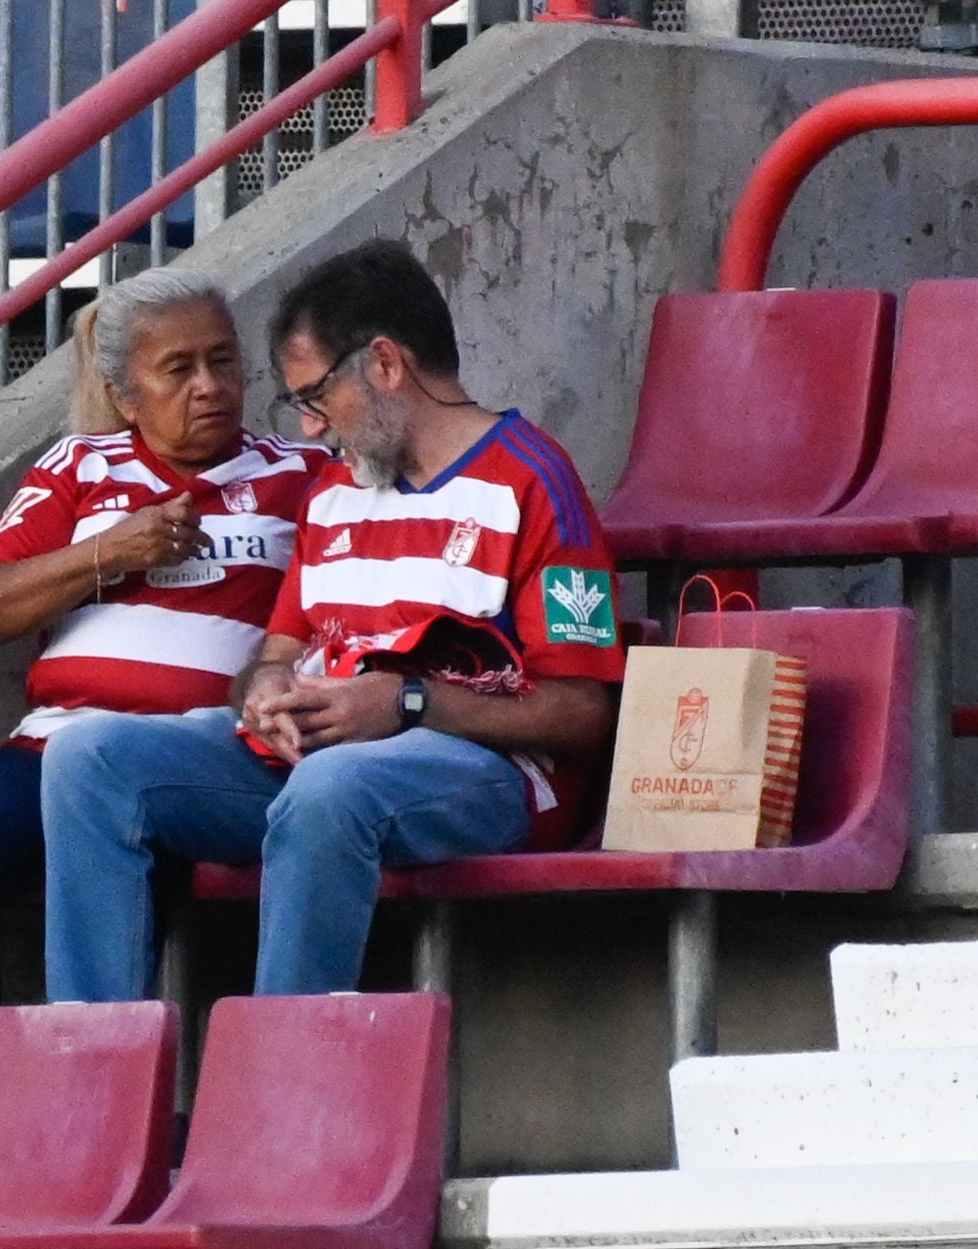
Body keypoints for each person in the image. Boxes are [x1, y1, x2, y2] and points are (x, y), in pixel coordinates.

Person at [40, 240, 626, 1001]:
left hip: (483, 776)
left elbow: (586, 715)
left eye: (316, 397)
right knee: (88, 760)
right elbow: (275, 654)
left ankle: (283, 1086)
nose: (311, 430)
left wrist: (406, 703)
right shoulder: (334, 492)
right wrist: (265, 692)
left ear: (384, 365)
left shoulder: (534, 480)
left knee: (333, 786)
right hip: (313, 764)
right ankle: (96, 1080)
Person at [0, 268, 329, 1055]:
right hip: (55, 742)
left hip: (196, 752)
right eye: (179, 369)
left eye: (223, 361)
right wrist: (106, 551)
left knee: (142, 858)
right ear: (127, 395)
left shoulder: (299, 475)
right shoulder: (81, 467)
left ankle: (113, 1107)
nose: (209, 386)